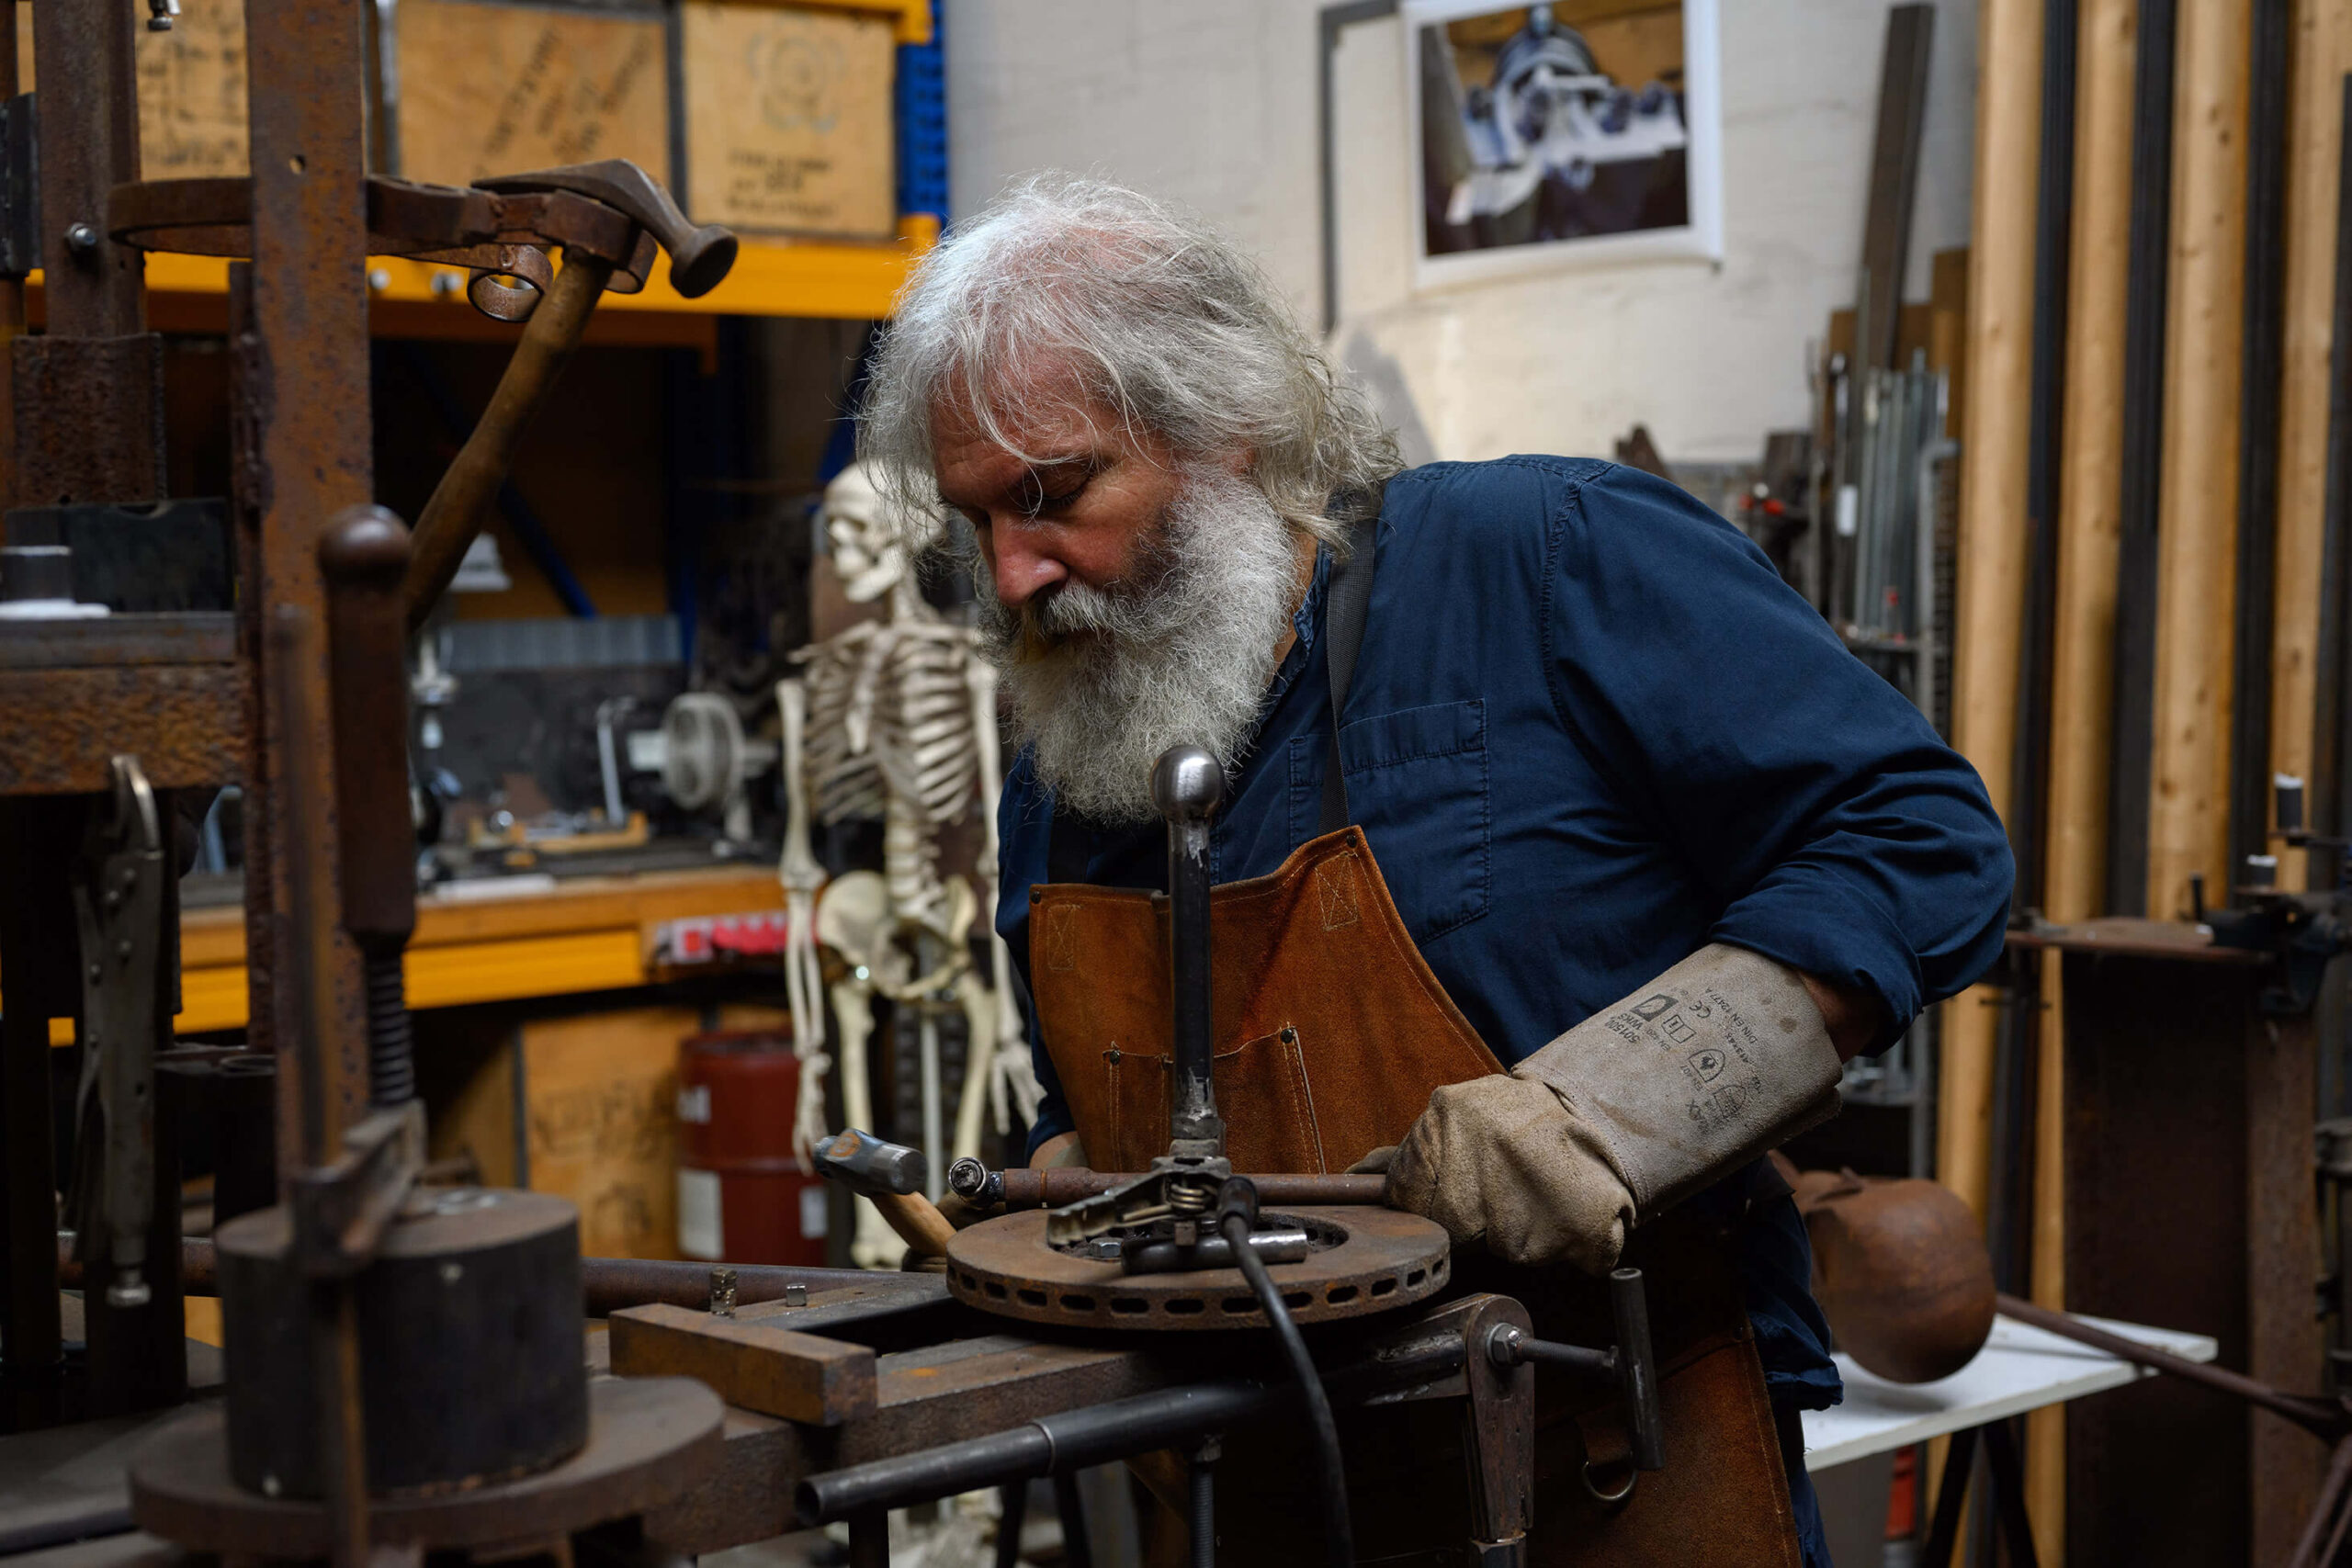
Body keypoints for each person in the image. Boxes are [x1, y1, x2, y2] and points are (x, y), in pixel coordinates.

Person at [859, 173, 2012, 1567]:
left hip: (1599, 1477)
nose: (1017, 576)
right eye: (977, 526)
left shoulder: (1540, 562)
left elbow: (1921, 842)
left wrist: (1616, 1109)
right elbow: (1081, 1112)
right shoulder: (1072, 757)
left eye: (1053, 495)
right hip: (1254, 1502)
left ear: (1226, 426)